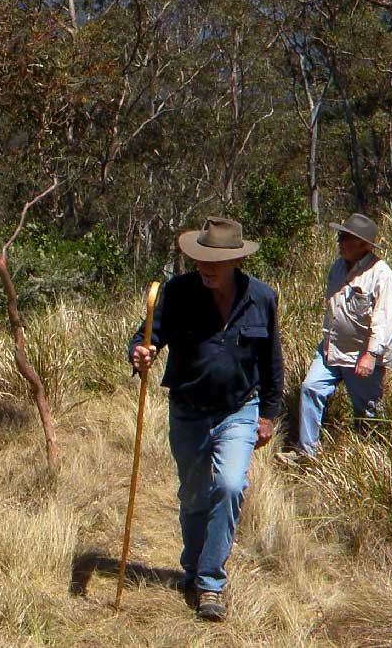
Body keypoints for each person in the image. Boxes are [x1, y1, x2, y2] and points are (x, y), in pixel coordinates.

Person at [128, 216, 283, 623]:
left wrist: (268, 413)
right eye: (200, 259)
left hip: (238, 410)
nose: (205, 267)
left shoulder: (262, 298)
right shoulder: (177, 293)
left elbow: (272, 361)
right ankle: (194, 570)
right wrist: (141, 355)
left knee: (231, 487)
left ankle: (211, 584)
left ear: (235, 261)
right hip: (187, 411)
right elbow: (147, 335)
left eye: (214, 260)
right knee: (194, 497)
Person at [292, 213, 392, 457]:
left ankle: (369, 456)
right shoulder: (338, 267)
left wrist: (370, 355)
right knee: (311, 388)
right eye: (340, 236)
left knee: (367, 410)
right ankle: (307, 452)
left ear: (363, 244)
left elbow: (385, 320)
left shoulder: (381, 274)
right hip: (332, 349)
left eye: (345, 238)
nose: (339, 242)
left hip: (362, 355)